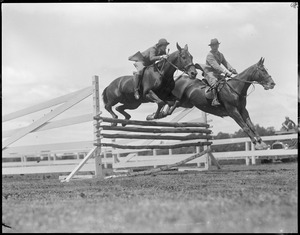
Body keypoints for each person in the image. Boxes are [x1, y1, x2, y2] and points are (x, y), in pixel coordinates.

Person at [205, 38, 238, 106]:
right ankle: (215, 100)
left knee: (225, 84)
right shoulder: (209, 55)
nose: (215, 46)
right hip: (210, 73)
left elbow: (225, 63)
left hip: (218, 73)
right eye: (214, 45)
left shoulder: (220, 55)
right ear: (211, 46)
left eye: (216, 45)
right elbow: (216, 66)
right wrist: (225, 72)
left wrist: (232, 69)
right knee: (214, 82)